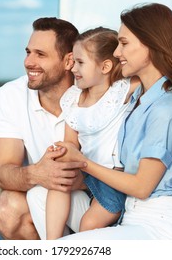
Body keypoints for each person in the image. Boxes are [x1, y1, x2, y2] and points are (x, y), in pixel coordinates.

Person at [47, 3, 172, 240]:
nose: (116, 53)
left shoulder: (166, 107)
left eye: (124, 44)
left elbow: (142, 187)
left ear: (150, 44)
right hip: (130, 218)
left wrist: (82, 162)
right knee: (42, 199)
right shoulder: (137, 98)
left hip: (160, 227)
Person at [0, 17, 90, 240]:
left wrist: (79, 179)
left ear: (68, 61)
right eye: (28, 52)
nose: (28, 62)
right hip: (45, 195)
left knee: (42, 194)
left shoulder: (94, 92)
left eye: (40, 54)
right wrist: (39, 173)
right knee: (8, 208)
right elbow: (4, 173)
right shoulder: (11, 95)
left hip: (95, 201)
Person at [45, 27, 140, 239]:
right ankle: (51, 243)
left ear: (105, 66)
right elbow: (70, 142)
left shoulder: (121, 91)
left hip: (113, 177)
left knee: (88, 225)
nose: (73, 69)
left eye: (80, 63)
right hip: (86, 172)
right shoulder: (73, 98)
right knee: (58, 179)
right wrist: (62, 151)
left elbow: (153, 71)